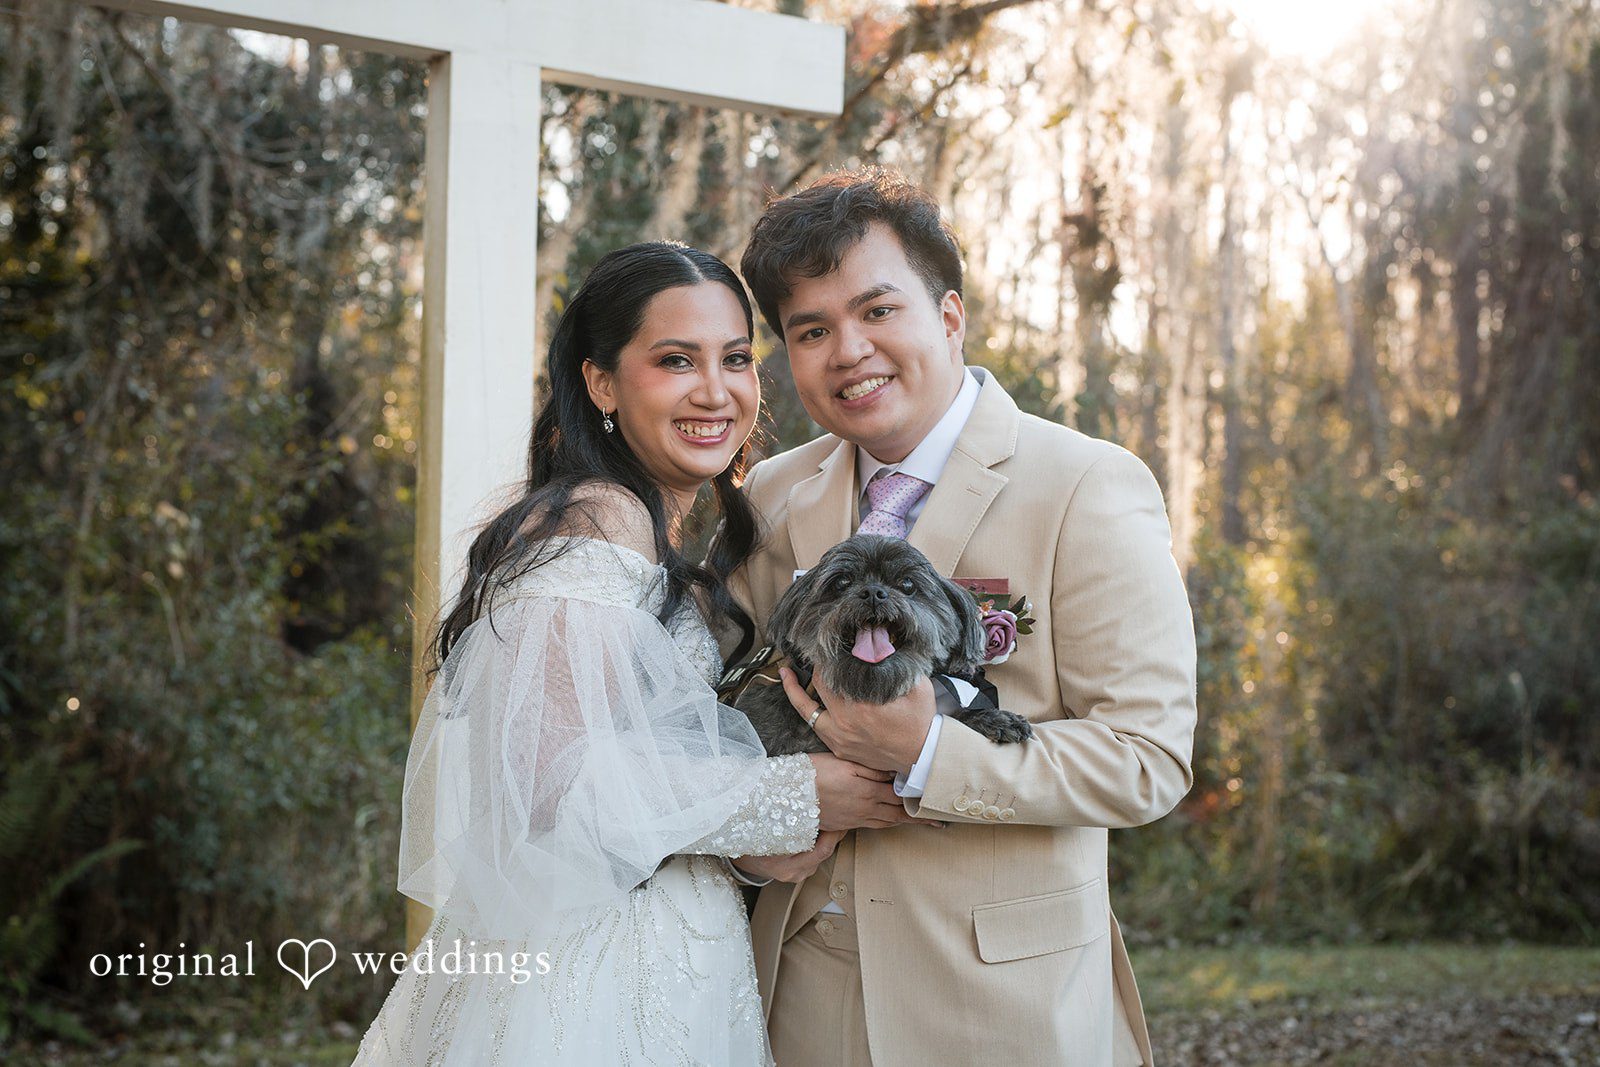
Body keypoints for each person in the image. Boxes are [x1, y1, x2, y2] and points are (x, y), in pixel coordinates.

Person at [351, 241, 924, 1066]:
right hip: (594, 974)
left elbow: (639, 770)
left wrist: (749, 843)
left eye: (735, 359)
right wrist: (793, 794)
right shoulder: (598, 518)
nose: (715, 390)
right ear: (600, 382)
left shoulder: (660, 532)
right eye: (675, 360)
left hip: (678, 953)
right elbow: (546, 786)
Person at [726, 169, 1198, 1066]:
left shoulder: (1086, 485)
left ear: (949, 316)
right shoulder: (775, 492)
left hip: (1002, 1009)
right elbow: (716, 708)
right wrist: (759, 826)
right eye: (811, 330)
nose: (849, 350)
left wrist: (928, 753)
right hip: (798, 1001)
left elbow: (1148, 756)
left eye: (877, 310)